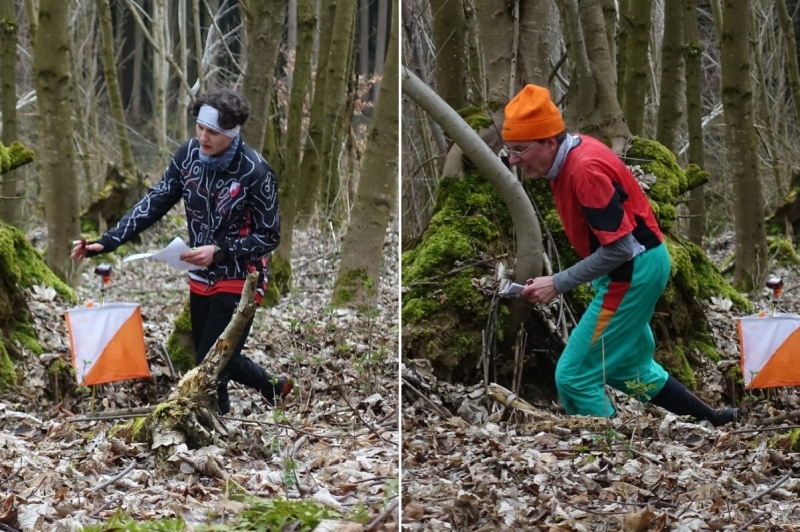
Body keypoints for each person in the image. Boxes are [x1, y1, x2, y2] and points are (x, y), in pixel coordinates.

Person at [502, 84, 739, 427]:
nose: (513, 161)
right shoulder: (570, 155)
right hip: (631, 270)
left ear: (549, 141)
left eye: (520, 150)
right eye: (509, 151)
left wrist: (557, 282)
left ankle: (609, 455)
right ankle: (714, 419)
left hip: (631, 274)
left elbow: (620, 247)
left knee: (574, 376)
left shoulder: (585, 170)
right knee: (628, 366)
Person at [72, 88, 292, 415]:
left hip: (242, 277)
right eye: (199, 128)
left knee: (210, 361)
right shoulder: (188, 155)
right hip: (199, 275)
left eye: (213, 132)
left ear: (231, 133)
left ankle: (213, 423)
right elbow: (157, 200)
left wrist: (219, 252)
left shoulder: (256, 172)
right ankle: (272, 387)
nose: (203, 137)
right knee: (216, 354)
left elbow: (269, 235)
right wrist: (108, 241)